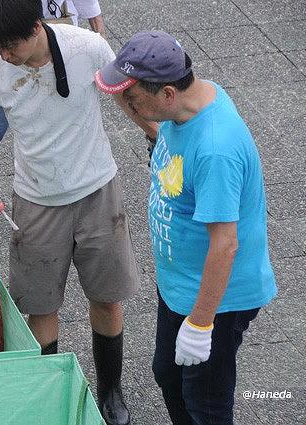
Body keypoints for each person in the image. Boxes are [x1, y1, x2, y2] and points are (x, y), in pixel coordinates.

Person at [0, 1, 141, 423]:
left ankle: (111, 392)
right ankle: (50, 398)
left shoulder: (88, 47)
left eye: (9, 46)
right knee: (41, 307)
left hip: (98, 192)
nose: (4, 56)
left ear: (37, 26)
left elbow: (126, 98)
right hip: (35, 201)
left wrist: (158, 136)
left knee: (108, 298)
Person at [95, 31, 277, 424]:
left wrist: (200, 324)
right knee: (168, 374)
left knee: (206, 403)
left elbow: (226, 244)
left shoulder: (215, 148)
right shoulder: (187, 105)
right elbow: (158, 132)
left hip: (216, 299)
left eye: (133, 96)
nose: (127, 105)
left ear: (166, 94)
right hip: (180, 285)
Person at [0, 0, 107, 191]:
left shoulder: (84, 45)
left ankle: (73, 181)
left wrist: (98, 42)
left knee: (65, 125)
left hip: (61, 50)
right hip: (8, 44)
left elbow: (88, 5)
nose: (4, 55)